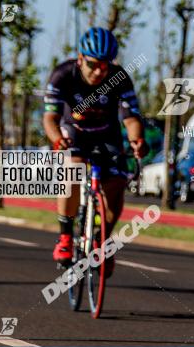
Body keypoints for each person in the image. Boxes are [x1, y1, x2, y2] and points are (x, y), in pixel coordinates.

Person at [44, 27, 148, 278]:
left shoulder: (119, 78)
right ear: (80, 58)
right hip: (74, 133)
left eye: (105, 65)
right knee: (72, 169)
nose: (99, 71)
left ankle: (102, 241)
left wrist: (137, 140)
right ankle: (66, 237)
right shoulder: (62, 75)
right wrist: (57, 139)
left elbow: (131, 118)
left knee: (116, 182)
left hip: (106, 135)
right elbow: (50, 118)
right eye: (93, 64)